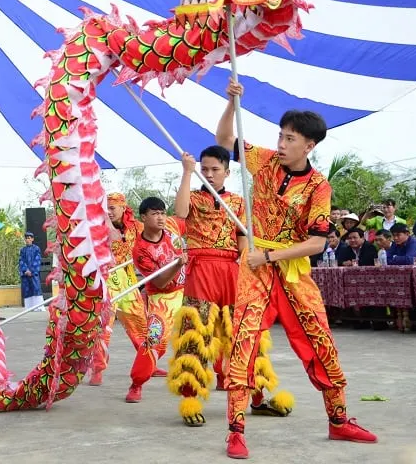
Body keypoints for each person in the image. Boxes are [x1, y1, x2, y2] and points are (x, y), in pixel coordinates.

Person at [216, 80, 376, 459]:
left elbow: (318, 242)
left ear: (309, 145)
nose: (282, 143)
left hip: (288, 270)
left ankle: (339, 422)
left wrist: (268, 257)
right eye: (281, 136)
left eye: (289, 138)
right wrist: (229, 103)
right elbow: (224, 141)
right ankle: (235, 431)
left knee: (319, 340)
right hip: (254, 272)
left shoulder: (319, 186)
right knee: (243, 343)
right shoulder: (265, 161)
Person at [168, 147, 292, 426]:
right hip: (202, 270)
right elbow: (180, 211)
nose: (210, 174)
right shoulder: (195, 197)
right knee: (197, 333)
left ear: (227, 171)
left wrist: (246, 262)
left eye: (215, 169)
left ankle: (257, 398)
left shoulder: (237, 203)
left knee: (246, 333)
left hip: (232, 271)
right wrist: (187, 172)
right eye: (205, 169)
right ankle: (190, 398)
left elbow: (243, 237)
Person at [89, 193, 167, 386]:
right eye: (106, 208)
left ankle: (149, 362)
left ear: (123, 207)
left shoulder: (136, 227)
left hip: (129, 281)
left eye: (112, 208)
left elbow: (154, 234)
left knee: (141, 324)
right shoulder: (99, 228)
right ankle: (97, 369)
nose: (109, 211)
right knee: (104, 326)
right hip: (107, 281)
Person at [129, 197, 188, 403]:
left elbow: (189, 219)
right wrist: (178, 265)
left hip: (188, 291)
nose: (161, 217)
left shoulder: (172, 225)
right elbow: (161, 282)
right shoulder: (140, 250)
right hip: (162, 298)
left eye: (163, 212)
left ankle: (222, 375)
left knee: (207, 331)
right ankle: (137, 383)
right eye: (155, 214)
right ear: (143, 217)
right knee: (154, 339)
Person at [18, 231, 44, 310]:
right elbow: (21, 260)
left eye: (29, 238)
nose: (27, 240)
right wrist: (26, 270)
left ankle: (38, 307)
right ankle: (29, 307)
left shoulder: (36, 248)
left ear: (32, 239)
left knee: (36, 288)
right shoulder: (22, 250)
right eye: (26, 238)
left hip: (33, 273)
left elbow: (37, 260)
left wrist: (31, 271)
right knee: (27, 289)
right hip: (26, 274)